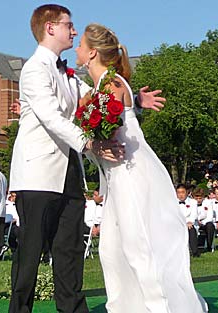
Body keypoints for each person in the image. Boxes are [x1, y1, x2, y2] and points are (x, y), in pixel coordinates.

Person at [8, 5, 165, 313]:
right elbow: (51, 117)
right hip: (37, 173)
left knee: (69, 250)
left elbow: (99, 95)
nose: (74, 31)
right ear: (51, 28)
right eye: (69, 25)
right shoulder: (34, 69)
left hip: (68, 172)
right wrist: (90, 143)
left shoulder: (67, 74)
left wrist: (135, 101)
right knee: (30, 252)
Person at [75, 22, 207, 312]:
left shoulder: (110, 85)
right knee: (112, 249)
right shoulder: (104, 85)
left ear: (92, 53)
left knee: (137, 246)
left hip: (130, 174)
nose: (77, 49)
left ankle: (158, 306)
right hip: (116, 176)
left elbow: (111, 129)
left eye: (81, 45)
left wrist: (93, 138)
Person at [177, 184, 200, 258]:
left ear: (187, 192)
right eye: (178, 192)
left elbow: (194, 215)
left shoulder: (193, 202)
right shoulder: (173, 202)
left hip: (189, 224)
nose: (180, 195)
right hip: (177, 224)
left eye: (182, 192)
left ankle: (195, 252)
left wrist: (189, 222)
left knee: (191, 229)